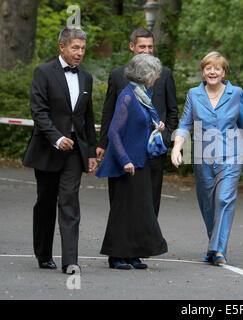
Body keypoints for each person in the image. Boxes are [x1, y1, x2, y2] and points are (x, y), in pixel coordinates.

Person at [22, 27, 97, 274]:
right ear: (62, 47)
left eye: (83, 49)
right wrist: (57, 138)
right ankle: (43, 254)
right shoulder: (43, 72)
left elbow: (87, 118)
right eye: (75, 48)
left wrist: (90, 153)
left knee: (69, 201)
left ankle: (70, 261)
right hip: (47, 150)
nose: (80, 53)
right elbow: (39, 112)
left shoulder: (86, 77)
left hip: (75, 153)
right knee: (45, 203)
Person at [171, 52, 243, 266]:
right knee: (208, 204)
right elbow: (185, 123)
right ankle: (214, 245)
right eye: (208, 68)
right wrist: (177, 147)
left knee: (224, 200)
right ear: (203, 71)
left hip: (231, 155)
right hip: (202, 157)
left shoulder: (235, 93)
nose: (213, 72)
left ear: (224, 72)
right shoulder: (194, 94)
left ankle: (217, 250)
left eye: (217, 68)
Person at [95, 54, 168, 269]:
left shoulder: (143, 95)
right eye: (154, 74)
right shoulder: (127, 96)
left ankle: (133, 253)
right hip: (125, 164)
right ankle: (116, 255)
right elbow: (114, 132)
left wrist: (156, 126)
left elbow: (139, 125)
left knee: (139, 210)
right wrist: (125, 160)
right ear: (146, 75)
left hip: (141, 161)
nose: (156, 78)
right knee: (123, 210)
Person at [97, 27, 178, 218]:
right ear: (132, 47)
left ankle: (148, 244)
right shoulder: (118, 75)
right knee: (122, 199)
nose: (147, 51)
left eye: (150, 47)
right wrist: (102, 143)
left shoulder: (164, 74)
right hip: (124, 150)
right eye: (142, 47)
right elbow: (108, 111)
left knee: (151, 201)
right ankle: (121, 243)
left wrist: (165, 139)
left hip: (154, 150)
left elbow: (172, 110)